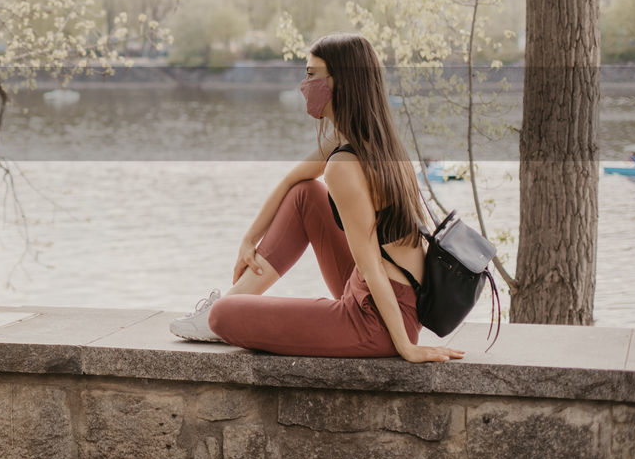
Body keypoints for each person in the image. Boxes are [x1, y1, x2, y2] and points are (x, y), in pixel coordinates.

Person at [169, 33, 465, 363]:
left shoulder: (345, 166)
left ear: (341, 82)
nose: (303, 85)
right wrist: (249, 239)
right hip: (384, 299)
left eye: (311, 75)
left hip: (372, 322)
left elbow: (371, 267)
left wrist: (406, 347)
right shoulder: (365, 136)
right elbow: (295, 179)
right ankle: (232, 300)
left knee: (222, 316)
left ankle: (220, 311)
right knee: (305, 194)